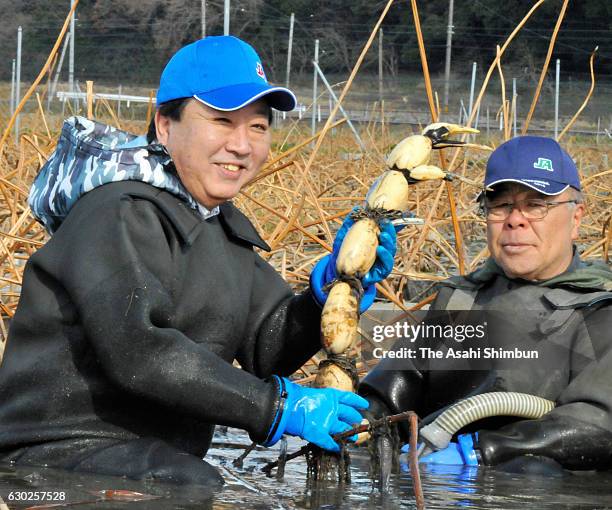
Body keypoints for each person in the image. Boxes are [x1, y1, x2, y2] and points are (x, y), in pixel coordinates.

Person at [0, 36, 398, 486]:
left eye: (258, 127)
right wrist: (278, 408)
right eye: (222, 121)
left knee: (191, 479)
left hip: (146, 456)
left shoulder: (221, 229)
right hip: (49, 453)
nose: (242, 145)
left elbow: (268, 348)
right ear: (165, 126)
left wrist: (330, 292)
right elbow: (141, 352)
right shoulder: (117, 213)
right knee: (191, 484)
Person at [360, 135, 612, 471]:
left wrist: (480, 453)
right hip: (432, 480)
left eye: (536, 205)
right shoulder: (463, 298)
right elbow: (399, 383)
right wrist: (366, 420)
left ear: (576, 218)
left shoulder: (599, 312)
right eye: (501, 205)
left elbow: (598, 423)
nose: (515, 220)